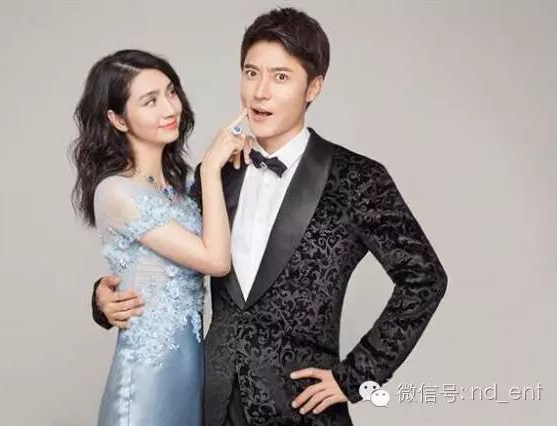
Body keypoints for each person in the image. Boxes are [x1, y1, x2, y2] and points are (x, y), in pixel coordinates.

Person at [91, 8, 448, 426]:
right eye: (251, 73)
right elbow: (163, 255)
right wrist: (103, 298)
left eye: (280, 77)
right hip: (211, 404)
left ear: (313, 86)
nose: (260, 93)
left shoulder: (358, 178)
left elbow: (425, 277)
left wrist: (355, 377)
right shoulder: (214, 175)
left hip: (302, 409)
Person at [71, 49, 247, 425]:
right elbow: (215, 261)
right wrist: (212, 170)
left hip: (192, 374)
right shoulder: (116, 192)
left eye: (171, 92)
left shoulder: (183, 186)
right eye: (150, 101)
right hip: (148, 380)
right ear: (117, 119)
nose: (170, 108)